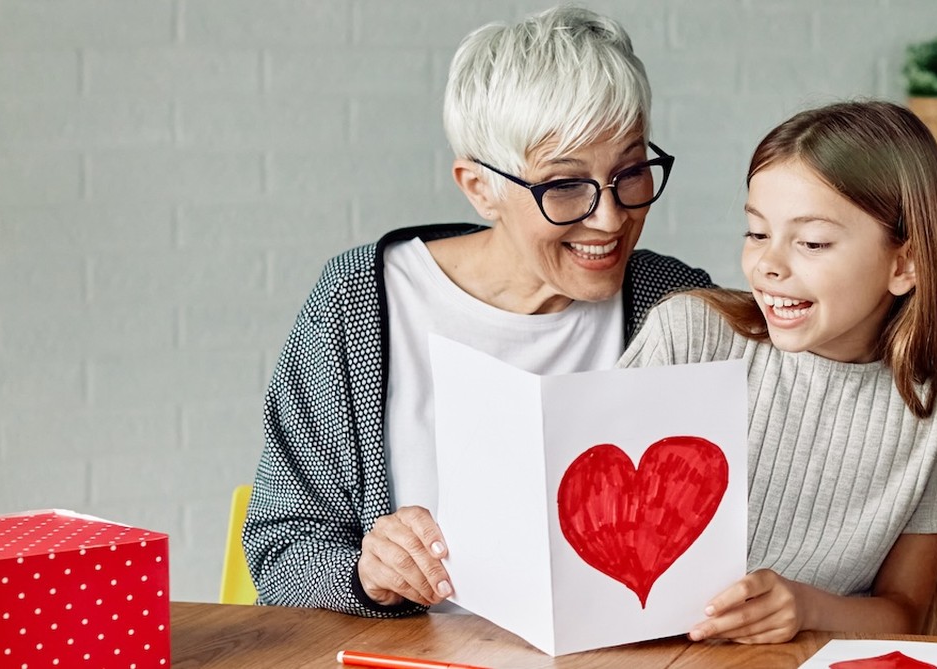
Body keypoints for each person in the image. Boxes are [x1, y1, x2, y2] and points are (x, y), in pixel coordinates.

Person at [242, 4, 712, 618]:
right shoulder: (362, 300)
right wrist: (366, 571)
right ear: (478, 186)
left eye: (630, 172)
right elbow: (279, 548)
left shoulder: (673, 303)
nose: (612, 217)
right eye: (564, 185)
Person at [618, 100, 937, 642]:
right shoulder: (690, 336)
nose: (769, 264)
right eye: (757, 233)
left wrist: (803, 607)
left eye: (812, 242)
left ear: (904, 264)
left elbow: (903, 612)